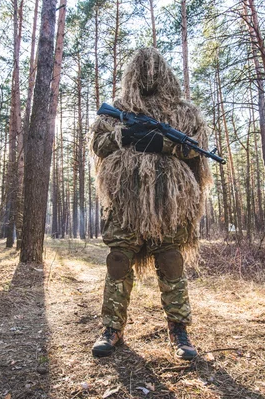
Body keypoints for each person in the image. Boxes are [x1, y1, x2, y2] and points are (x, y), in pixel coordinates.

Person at [89, 48, 212, 360]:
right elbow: (99, 145)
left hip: (170, 203)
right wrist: (126, 136)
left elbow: (195, 150)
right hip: (126, 202)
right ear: (133, 74)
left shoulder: (183, 112)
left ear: (165, 73)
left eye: (156, 69)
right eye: (144, 70)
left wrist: (162, 143)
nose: (151, 76)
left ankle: (179, 330)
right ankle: (112, 328)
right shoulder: (116, 109)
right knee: (118, 261)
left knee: (171, 261)